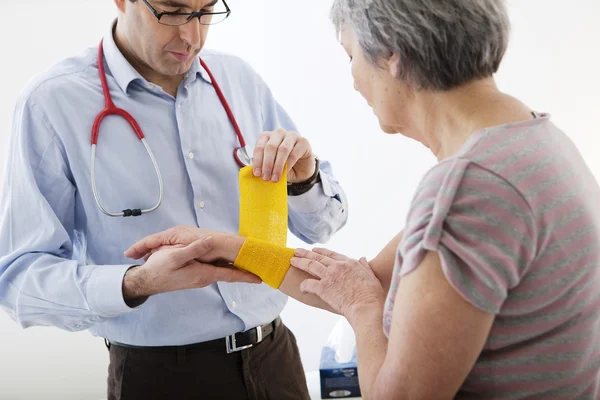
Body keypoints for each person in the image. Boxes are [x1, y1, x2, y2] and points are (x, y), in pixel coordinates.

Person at [126, 0, 600, 398]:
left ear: (392, 55)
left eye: (350, 55)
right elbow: (362, 279)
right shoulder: (530, 139)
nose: (353, 79)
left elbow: (379, 340)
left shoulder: (468, 187)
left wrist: (362, 308)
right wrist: (223, 248)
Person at [0, 1, 349, 399]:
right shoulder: (52, 103)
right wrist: (136, 283)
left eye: (205, 12)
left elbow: (319, 226)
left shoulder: (238, 80)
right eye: (173, 11)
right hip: (159, 378)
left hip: (275, 362)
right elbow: (18, 277)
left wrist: (304, 178)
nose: (192, 36)